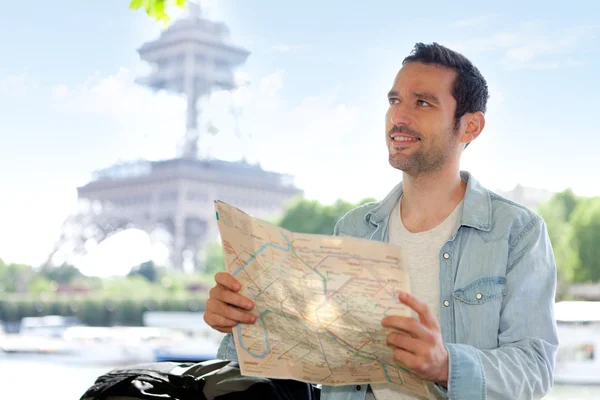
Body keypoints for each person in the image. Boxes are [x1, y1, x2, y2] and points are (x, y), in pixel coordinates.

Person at [204, 42, 559, 399]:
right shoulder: (354, 228)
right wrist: (241, 323)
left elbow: (534, 369)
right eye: (394, 101)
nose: (399, 117)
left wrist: (446, 365)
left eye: (422, 102)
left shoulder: (517, 232)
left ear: (470, 127)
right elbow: (310, 349)